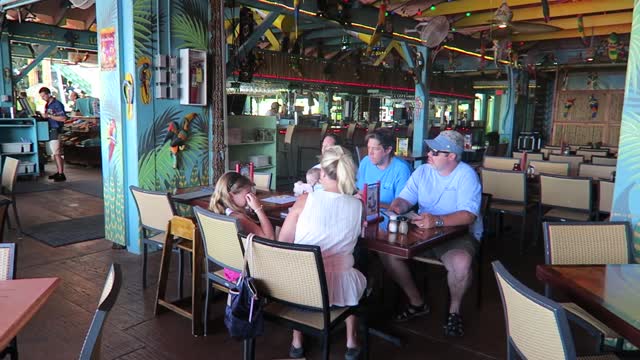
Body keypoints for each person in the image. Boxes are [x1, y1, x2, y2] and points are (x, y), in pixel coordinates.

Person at [383, 130, 482, 337]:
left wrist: (437, 220)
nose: (428, 154)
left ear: (452, 156)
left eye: (435, 152)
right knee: (388, 252)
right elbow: (404, 199)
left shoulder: (466, 175)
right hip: (422, 232)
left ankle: (454, 311)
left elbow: (468, 215)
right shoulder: (422, 172)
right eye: (430, 150)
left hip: (456, 235)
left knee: (461, 263)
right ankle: (417, 302)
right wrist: (397, 208)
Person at [279, 145, 366, 360]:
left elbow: (284, 243)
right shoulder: (358, 206)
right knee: (356, 264)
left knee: (298, 263)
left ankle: (297, 340)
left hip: (302, 287)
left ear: (323, 173)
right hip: (341, 288)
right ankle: (351, 339)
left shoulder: (306, 200)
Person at [209, 172, 275, 282]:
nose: (252, 196)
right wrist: (258, 209)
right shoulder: (239, 219)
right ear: (231, 195)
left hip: (230, 267)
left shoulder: (221, 211)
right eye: (248, 193)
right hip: (246, 272)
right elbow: (269, 238)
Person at [356, 129, 411, 205]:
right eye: (368, 148)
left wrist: (372, 204)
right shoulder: (365, 162)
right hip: (366, 213)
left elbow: (400, 206)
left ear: (388, 150)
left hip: (389, 215)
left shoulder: (402, 169)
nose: (370, 153)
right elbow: (361, 191)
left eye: (375, 149)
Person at [39, 87, 68, 182]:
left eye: (43, 96)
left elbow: (63, 118)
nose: (42, 98)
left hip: (56, 129)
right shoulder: (48, 105)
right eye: (41, 96)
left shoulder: (57, 104)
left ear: (48, 94)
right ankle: (58, 171)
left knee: (57, 152)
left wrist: (49, 116)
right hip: (51, 129)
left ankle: (61, 173)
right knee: (55, 153)